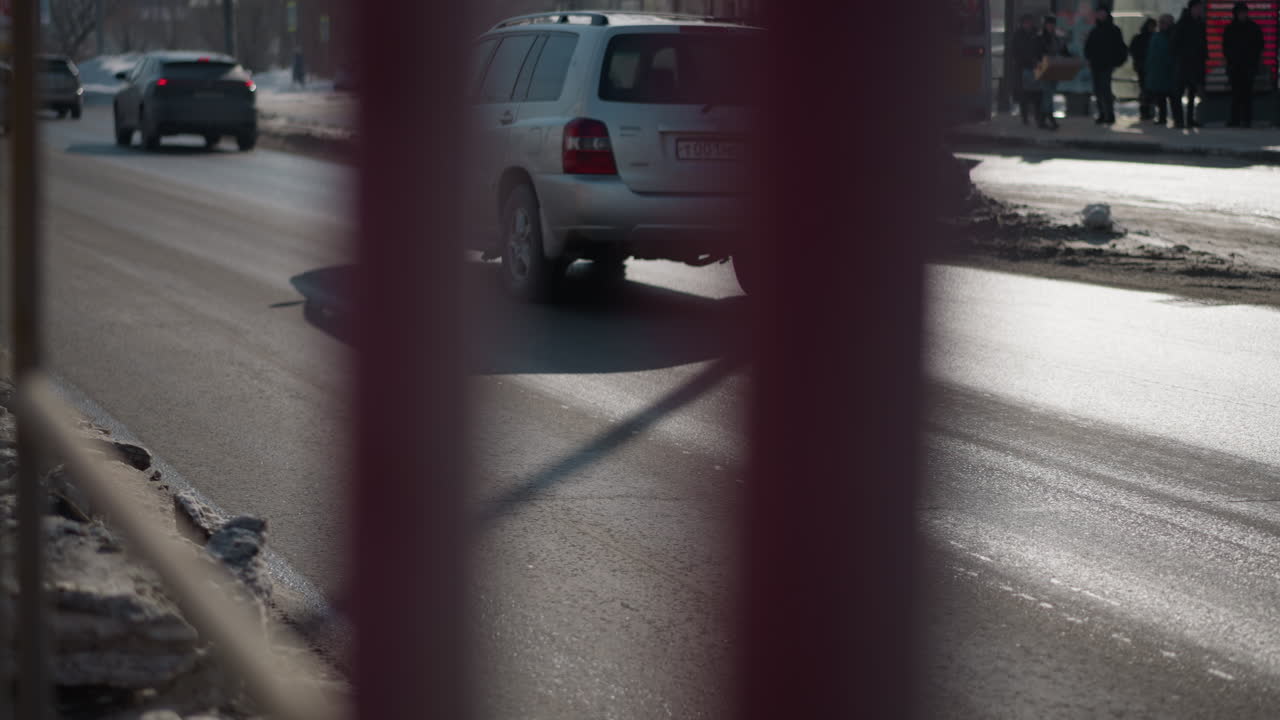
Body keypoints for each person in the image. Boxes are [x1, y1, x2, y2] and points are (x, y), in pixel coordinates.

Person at [1085, 3, 1127, 125]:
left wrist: (1116, 62)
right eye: (1099, 14)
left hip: (1107, 65)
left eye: (1102, 14)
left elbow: (1120, 48)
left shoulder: (1113, 30)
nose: (1100, 16)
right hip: (1096, 65)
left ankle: (1109, 114)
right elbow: (1088, 47)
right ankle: (1102, 114)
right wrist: (1089, 58)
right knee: (1098, 91)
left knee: (1105, 90)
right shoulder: (1095, 31)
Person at [1223, 0, 1264, 127]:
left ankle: (1246, 120)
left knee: (1246, 95)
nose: (1242, 15)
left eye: (1244, 13)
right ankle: (1236, 120)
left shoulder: (1253, 28)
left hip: (1247, 66)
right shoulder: (1231, 29)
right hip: (1236, 67)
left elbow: (1259, 46)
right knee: (1236, 95)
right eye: (1240, 13)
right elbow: (1226, 47)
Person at [1170, 0, 1207, 128]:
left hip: (1195, 65)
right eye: (1198, 8)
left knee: (1192, 94)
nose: (1200, 11)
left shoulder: (1200, 24)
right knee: (1178, 93)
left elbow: (1203, 46)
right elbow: (1174, 44)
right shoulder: (1183, 24)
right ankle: (1179, 120)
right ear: (1192, 8)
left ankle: (1189, 119)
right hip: (1183, 64)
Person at [1037, 16, 1070, 130]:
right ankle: (1047, 118)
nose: (1051, 27)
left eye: (1052, 25)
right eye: (1049, 25)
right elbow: (1038, 54)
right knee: (1047, 94)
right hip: (1045, 69)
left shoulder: (1056, 38)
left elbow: (1064, 51)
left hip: (1054, 69)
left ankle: (1045, 118)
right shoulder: (1041, 38)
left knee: (1049, 94)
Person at [1145, 14, 1178, 126]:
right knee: (1161, 97)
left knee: (1173, 96)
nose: (1161, 25)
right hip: (1159, 71)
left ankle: (1176, 118)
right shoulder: (1157, 37)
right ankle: (1163, 117)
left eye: (1163, 23)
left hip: (1169, 70)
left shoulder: (1171, 36)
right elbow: (1152, 55)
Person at [1012, 14, 1042, 125]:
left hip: (1035, 67)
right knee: (1024, 94)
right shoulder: (1018, 35)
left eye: (1029, 22)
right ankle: (1025, 117)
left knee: (1037, 93)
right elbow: (1015, 51)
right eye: (1026, 22)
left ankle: (1037, 116)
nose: (1028, 24)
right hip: (1023, 67)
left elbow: (1040, 48)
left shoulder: (1037, 34)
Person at [1130, 18, 1157, 120]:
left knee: (1146, 89)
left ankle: (1145, 110)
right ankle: (1146, 110)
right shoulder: (1151, 38)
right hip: (1145, 67)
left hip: (1144, 67)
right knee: (1147, 90)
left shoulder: (1140, 38)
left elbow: (1133, 50)